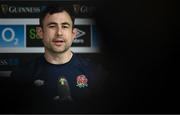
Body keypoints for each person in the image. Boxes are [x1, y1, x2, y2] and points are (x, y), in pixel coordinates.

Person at [7, 5, 107, 114]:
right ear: (40, 32)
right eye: (52, 26)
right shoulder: (22, 75)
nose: (59, 32)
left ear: (73, 34)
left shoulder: (96, 72)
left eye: (65, 26)